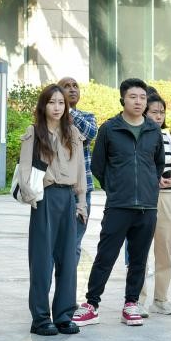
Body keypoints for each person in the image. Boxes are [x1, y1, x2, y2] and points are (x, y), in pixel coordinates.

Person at [71, 78, 164, 327]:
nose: (138, 102)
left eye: (142, 97)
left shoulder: (153, 130)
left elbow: (158, 164)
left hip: (147, 206)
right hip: (118, 205)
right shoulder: (110, 129)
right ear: (123, 99)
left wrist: (148, 187)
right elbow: (98, 166)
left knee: (139, 259)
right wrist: (114, 189)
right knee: (106, 255)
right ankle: (91, 304)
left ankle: (131, 303)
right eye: (133, 97)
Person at [17, 84, 88, 335]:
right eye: (51, 102)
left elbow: (80, 169)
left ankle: (63, 315)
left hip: (68, 197)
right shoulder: (34, 132)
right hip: (45, 197)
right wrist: (30, 195)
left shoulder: (73, 133)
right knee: (42, 260)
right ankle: (40, 318)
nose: (57, 107)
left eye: (61, 103)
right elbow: (25, 166)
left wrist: (81, 201)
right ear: (43, 105)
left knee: (68, 259)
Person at [146, 93, 171, 315]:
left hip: (167, 195)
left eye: (162, 112)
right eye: (154, 112)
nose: (159, 116)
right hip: (144, 196)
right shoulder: (138, 134)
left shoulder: (167, 136)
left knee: (164, 249)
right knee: (140, 250)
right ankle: (136, 300)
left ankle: (160, 299)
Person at [59, 76, 98, 255]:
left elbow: (90, 133)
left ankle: (70, 274)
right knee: (57, 241)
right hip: (57, 188)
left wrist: (68, 111)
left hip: (82, 189)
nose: (73, 89)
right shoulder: (52, 118)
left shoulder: (87, 116)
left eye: (75, 86)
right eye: (67, 86)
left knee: (74, 242)